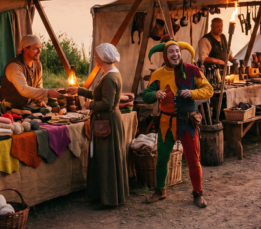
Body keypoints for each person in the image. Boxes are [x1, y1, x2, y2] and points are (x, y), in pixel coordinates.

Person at [143, 36, 213, 208]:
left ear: (180, 53)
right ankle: (160, 190)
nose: (175, 54)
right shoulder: (158, 75)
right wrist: (155, 94)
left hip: (188, 122)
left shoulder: (192, 70)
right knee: (162, 159)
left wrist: (193, 93)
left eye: (177, 51)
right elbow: (146, 95)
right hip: (166, 123)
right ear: (165, 55)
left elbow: (209, 90)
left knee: (193, 160)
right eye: (171, 51)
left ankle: (198, 193)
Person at [78, 43, 129, 207]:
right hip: (107, 120)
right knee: (105, 158)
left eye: (97, 55)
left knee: (107, 160)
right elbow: (97, 94)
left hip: (107, 122)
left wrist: (89, 106)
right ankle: (104, 195)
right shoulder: (109, 74)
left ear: (103, 57)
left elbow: (107, 103)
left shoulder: (110, 77)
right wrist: (78, 90)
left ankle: (109, 199)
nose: (95, 58)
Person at [0, 34, 73, 107]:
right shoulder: (14, 66)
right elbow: (24, 89)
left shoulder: (37, 64)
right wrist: (47, 92)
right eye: (36, 48)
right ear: (26, 49)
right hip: (7, 108)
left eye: (40, 48)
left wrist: (38, 100)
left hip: (24, 107)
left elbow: (38, 85)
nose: (39, 51)